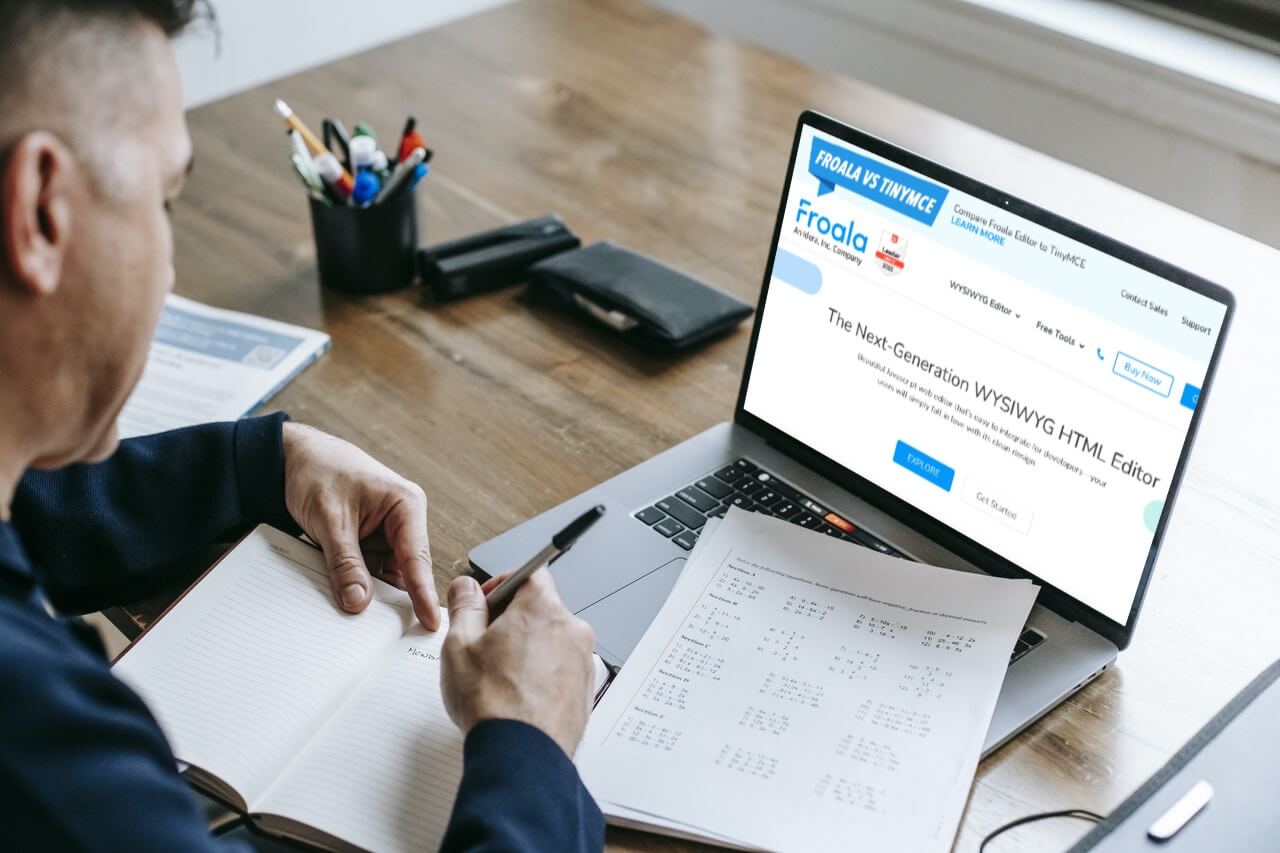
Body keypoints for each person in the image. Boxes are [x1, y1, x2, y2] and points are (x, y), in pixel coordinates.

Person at [0, 1, 604, 849]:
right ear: (41, 211)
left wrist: (260, 462)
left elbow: (27, 514)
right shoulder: (47, 758)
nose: (168, 263)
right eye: (165, 201)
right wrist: (531, 749)